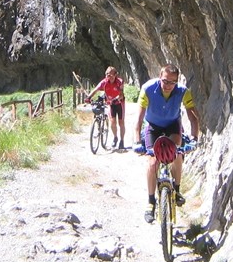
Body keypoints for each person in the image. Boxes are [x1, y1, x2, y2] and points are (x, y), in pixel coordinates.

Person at [135, 63, 200, 223]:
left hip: (173, 126)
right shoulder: (148, 89)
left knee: (177, 152)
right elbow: (138, 119)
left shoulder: (183, 92)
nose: (168, 85)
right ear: (159, 78)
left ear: (177, 82)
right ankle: (151, 202)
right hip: (153, 127)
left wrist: (194, 138)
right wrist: (137, 141)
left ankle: (176, 190)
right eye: (165, 81)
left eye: (172, 82)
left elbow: (193, 117)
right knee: (152, 162)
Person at [86, 66, 127, 149]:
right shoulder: (104, 82)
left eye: (111, 75)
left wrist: (116, 99)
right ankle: (115, 137)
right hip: (111, 103)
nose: (109, 77)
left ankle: (122, 141)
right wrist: (89, 97)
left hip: (119, 103)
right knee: (112, 122)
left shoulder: (120, 82)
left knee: (121, 122)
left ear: (115, 75)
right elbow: (96, 89)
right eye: (107, 75)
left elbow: (121, 94)